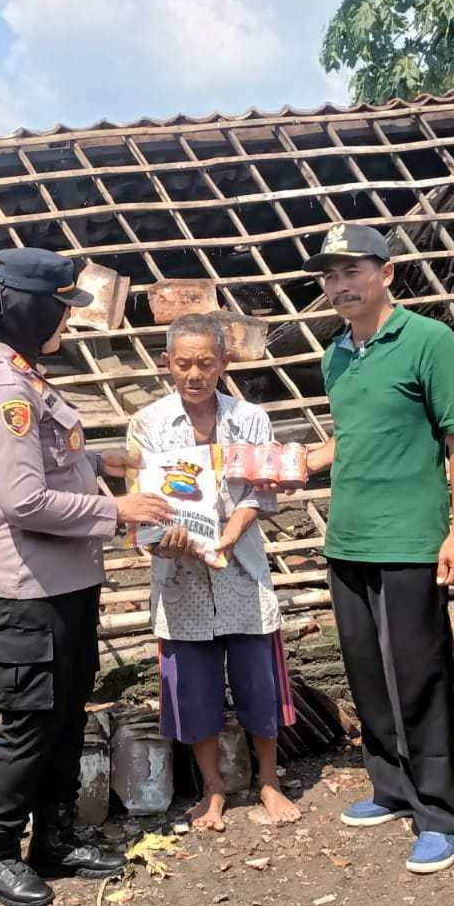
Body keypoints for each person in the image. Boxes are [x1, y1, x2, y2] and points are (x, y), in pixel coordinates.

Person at [0, 247, 173, 906]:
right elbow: (23, 502)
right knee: (29, 720)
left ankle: (53, 838)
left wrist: (98, 463)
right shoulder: (2, 388)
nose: (69, 323)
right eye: (62, 310)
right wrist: (117, 509)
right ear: (29, 310)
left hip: (61, 579)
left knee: (66, 713)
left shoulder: (21, 371)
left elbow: (45, 465)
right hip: (23, 586)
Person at [302, 223, 454, 874]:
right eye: (330, 273)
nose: (340, 283)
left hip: (410, 537)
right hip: (348, 536)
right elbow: (351, 438)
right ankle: (392, 788)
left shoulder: (428, 342)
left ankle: (440, 811)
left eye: (353, 269)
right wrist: (299, 460)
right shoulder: (336, 355)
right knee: (367, 675)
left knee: (418, 676)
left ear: (386, 272)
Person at [127, 313, 299, 832]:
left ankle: (269, 781)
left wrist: (227, 534)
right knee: (195, 692)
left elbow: (261, 492)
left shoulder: (251, 419)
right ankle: (213, 789)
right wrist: (164, 542)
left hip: (241, 569)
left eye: (206, 362)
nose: (195, 374)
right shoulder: (148, 425)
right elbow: (143, 501)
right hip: (181, 581)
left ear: (224, 362)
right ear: (167, 365)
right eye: (184, 364)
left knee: (260, 687)